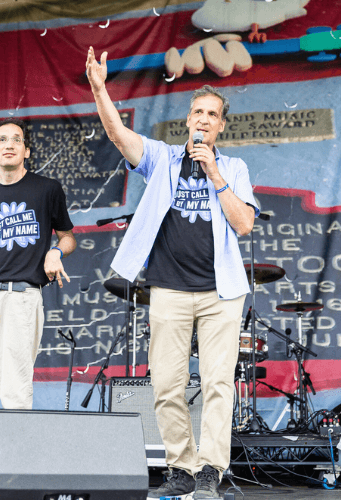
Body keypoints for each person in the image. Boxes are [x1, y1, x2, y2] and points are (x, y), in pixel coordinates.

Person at [86, 47, 258, 499]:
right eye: (197, 111)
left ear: (221, 125)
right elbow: (118, 134)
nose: (203, 119)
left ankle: (211, 470)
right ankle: (181, 466)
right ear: (188, 119)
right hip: (168, 288)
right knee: (165, 384)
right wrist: (100, 89)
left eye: (212, 114)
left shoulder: (234, 168)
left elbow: (243, 223)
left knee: (220, 384)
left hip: (222, 293)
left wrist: (214, 173)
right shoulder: (162, 159)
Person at [0, 118, 76, 436]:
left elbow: (68, 237)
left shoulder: (47, 189)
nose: (10, 144)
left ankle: (11, 471)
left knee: (15, 392)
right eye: (3, 140)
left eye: (17, 140)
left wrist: (56, 253)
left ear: (26, 150)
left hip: (21, 297)